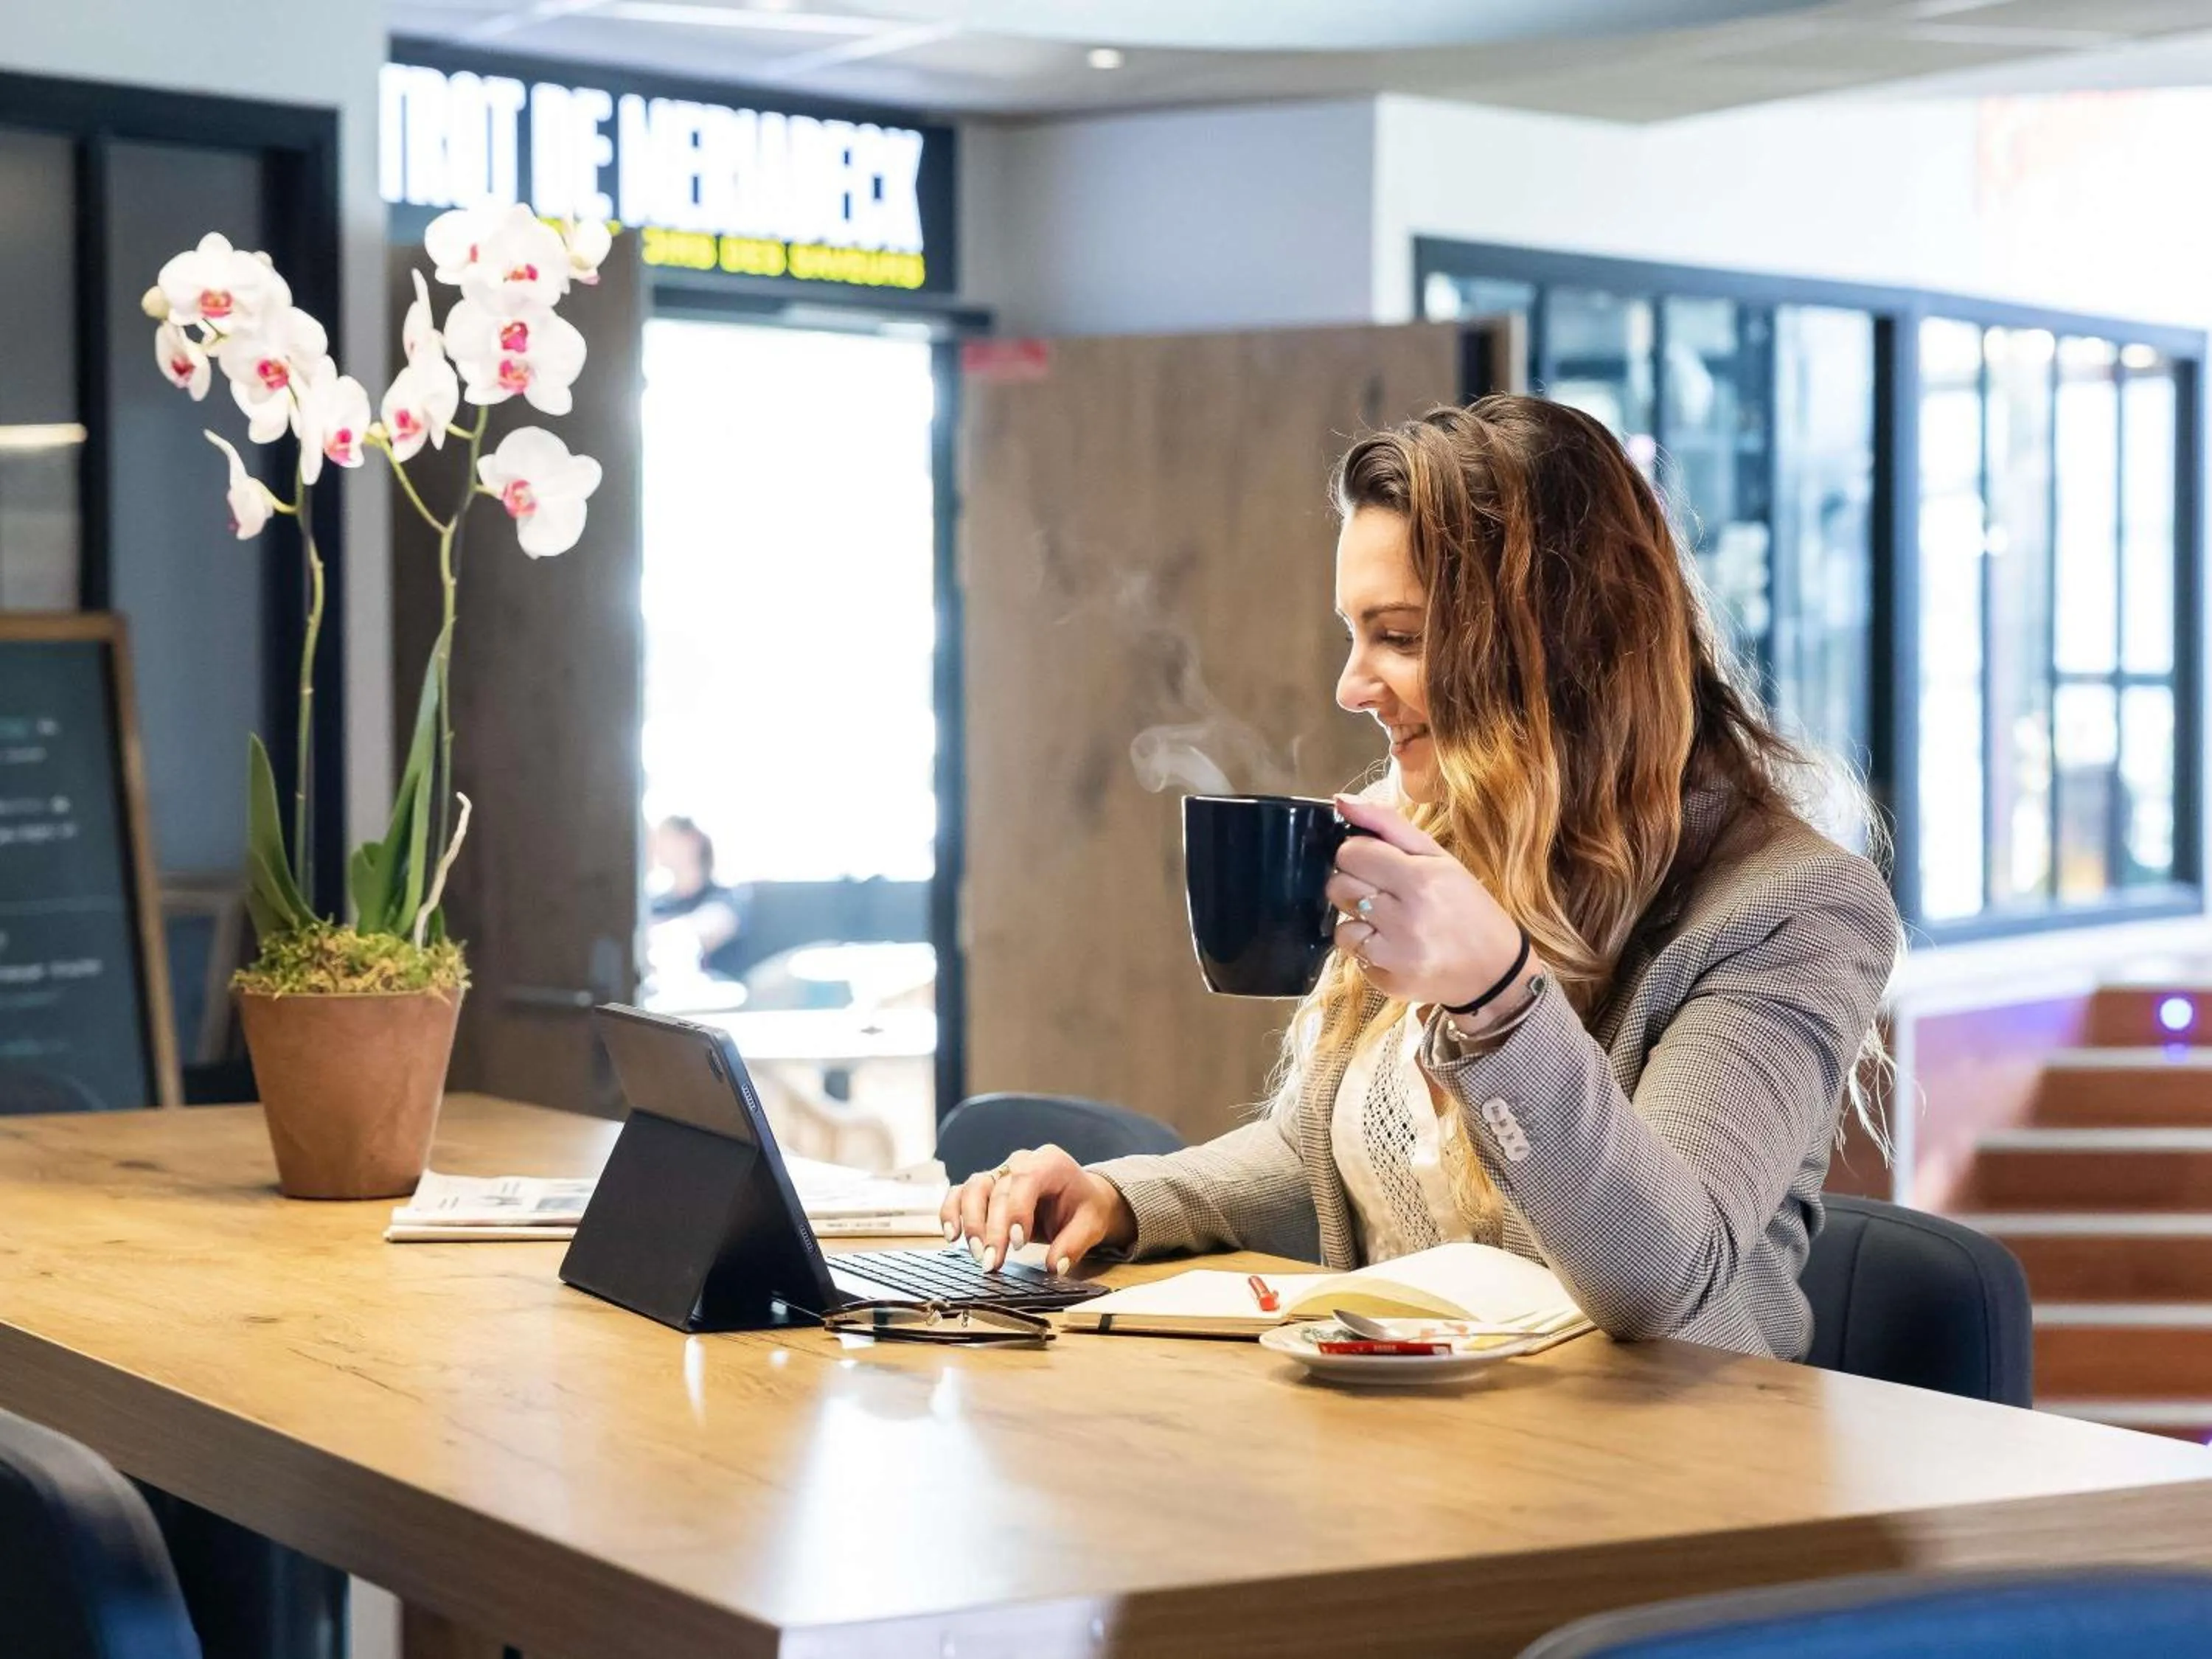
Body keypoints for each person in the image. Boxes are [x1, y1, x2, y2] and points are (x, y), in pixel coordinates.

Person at [941, 396, 1900, 1360]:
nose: (1352, 686)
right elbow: (1320, 1152)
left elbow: (1659, 1276)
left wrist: (1500, 1000)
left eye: (1398, 637)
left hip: (1666, 1470)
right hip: (1419, 1453)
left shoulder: (1791, 908)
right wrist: (1122, 1198)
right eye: (1356, 635)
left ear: (1558, 649)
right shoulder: (1429, 828)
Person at [646, 816, 751, 984]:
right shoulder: (657, 904)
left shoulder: (725, 898)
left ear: (692, 841)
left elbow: (710, 927)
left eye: (666, 838)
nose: (658, 847)